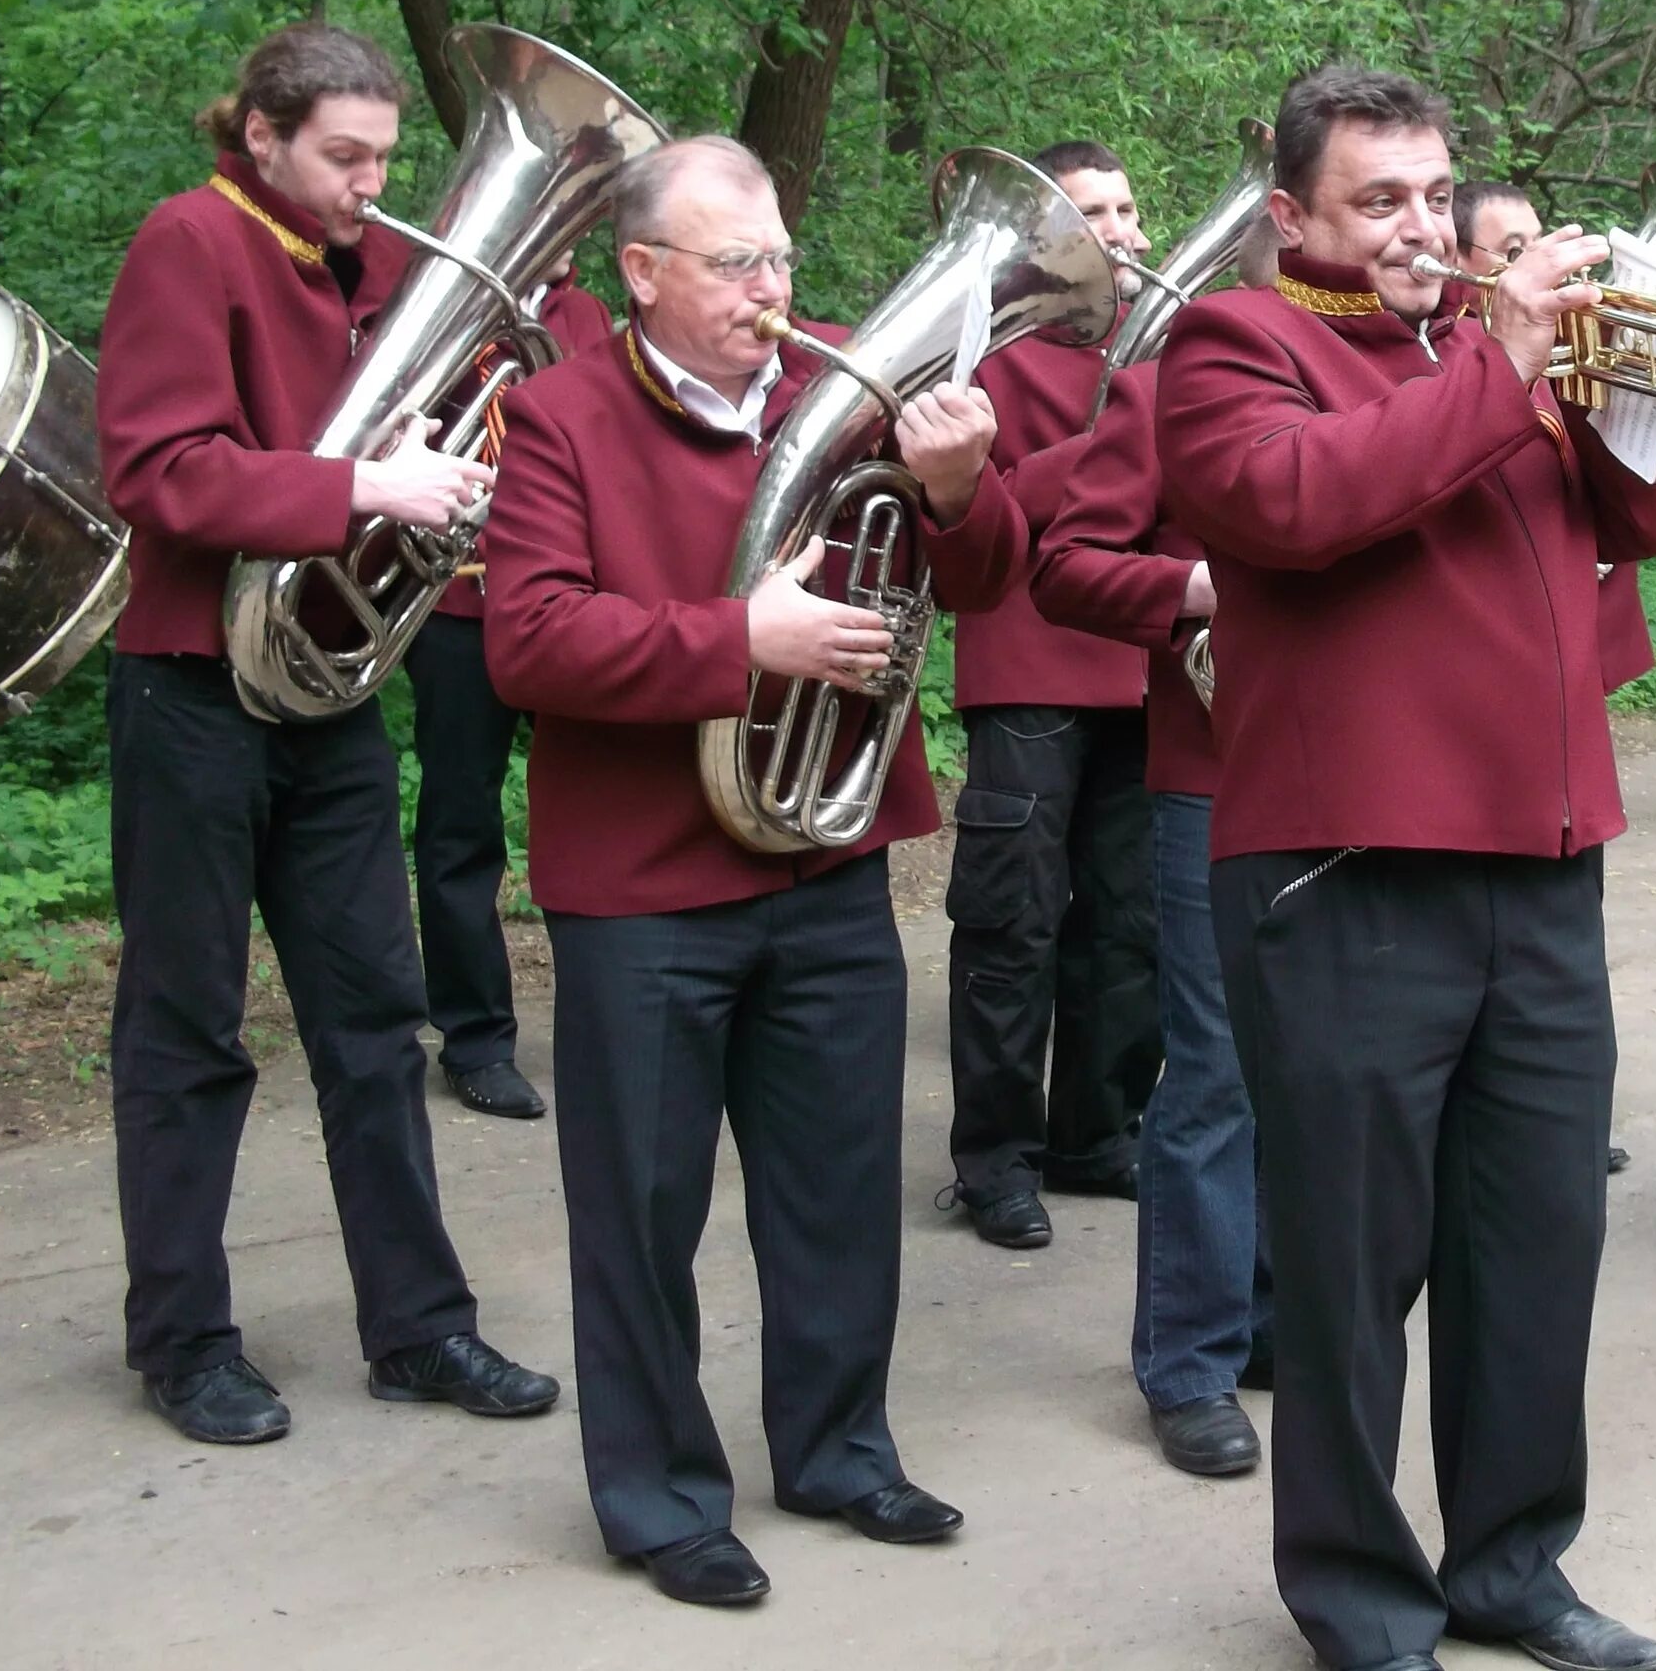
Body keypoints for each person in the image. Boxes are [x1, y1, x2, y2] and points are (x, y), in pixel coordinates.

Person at [1159, 66, 1656, 1671]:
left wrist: (1642, 381)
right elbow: (1303, 505)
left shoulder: (1487, 349)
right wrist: (1511, 360)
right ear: (1292, 217)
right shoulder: (1233, 346)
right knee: (1350, 1265)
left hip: (1540, 862)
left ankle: (1514, 1566)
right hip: (1346, 873)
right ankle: (1362, 1595)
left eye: (1433, 192)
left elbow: (1645, 519)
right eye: (1377, 198)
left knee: (1538, 1243)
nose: (1417, 227)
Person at [484, 135, 1006, 1607]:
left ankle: (839, 1446)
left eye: (779, 256)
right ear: (641, 273)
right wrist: (739, 642)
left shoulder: (848, 384)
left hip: (827, 857)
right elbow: (527, 638)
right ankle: (657, 1496)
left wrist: (964, 490)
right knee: (642, 1209)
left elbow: (987, 577)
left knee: (840, 1186)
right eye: (734, 263)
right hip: (643, 887)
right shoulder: (558, 417)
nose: (771, 290)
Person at [95, 22, 559, 1446]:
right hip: (191, 690)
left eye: (384, 156)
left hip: (331, 693)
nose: (373, 183)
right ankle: (181, 1337)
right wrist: (365, 486)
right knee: (187, 1026)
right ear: (263, 139)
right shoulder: (191, 242)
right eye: (344, 156)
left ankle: (419, 1326)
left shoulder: (374, 266)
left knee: (373, 1019)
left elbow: (429, 441)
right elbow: (157, 468)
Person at [1454, 179, 1656, 1186]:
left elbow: (1624, 498)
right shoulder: (1468, 368)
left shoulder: (1560, 361)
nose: (1542, 263)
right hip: (1486, 687)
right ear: (1465, 271)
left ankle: (1557, 1107)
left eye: (1539, 241)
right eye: (1508, 249)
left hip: (1566, 675)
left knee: (1563, 929)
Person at [1033, 216, 1284, 1482]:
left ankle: (1276, 1318)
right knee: (1216, 1073)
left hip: (1369, 778)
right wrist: (1200, 589)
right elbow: (1069, 566)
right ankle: (1188, 1359)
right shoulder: (1161, 382)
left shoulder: (1432, 380)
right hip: (1211, 772)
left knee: (1328, 1067)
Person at [943, 139, 1162, 1249]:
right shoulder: (991, 343)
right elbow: (987, 514)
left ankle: (1095, 1131)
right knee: (1012, 922)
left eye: (1126, 209)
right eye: (1091, 213)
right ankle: (992, 1158)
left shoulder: (1167, 349)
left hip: (1140, 667)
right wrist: (1114, 438)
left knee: (1129, 924)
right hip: (1027, 658)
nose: (1120, 230)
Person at [404, 256, 612, 1119]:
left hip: (574, 595)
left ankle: (617, 1025)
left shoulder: (592, 316)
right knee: (460, 824)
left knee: (607, 805)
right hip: (458, 598)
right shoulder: (437, 302)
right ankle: (476, 1039)